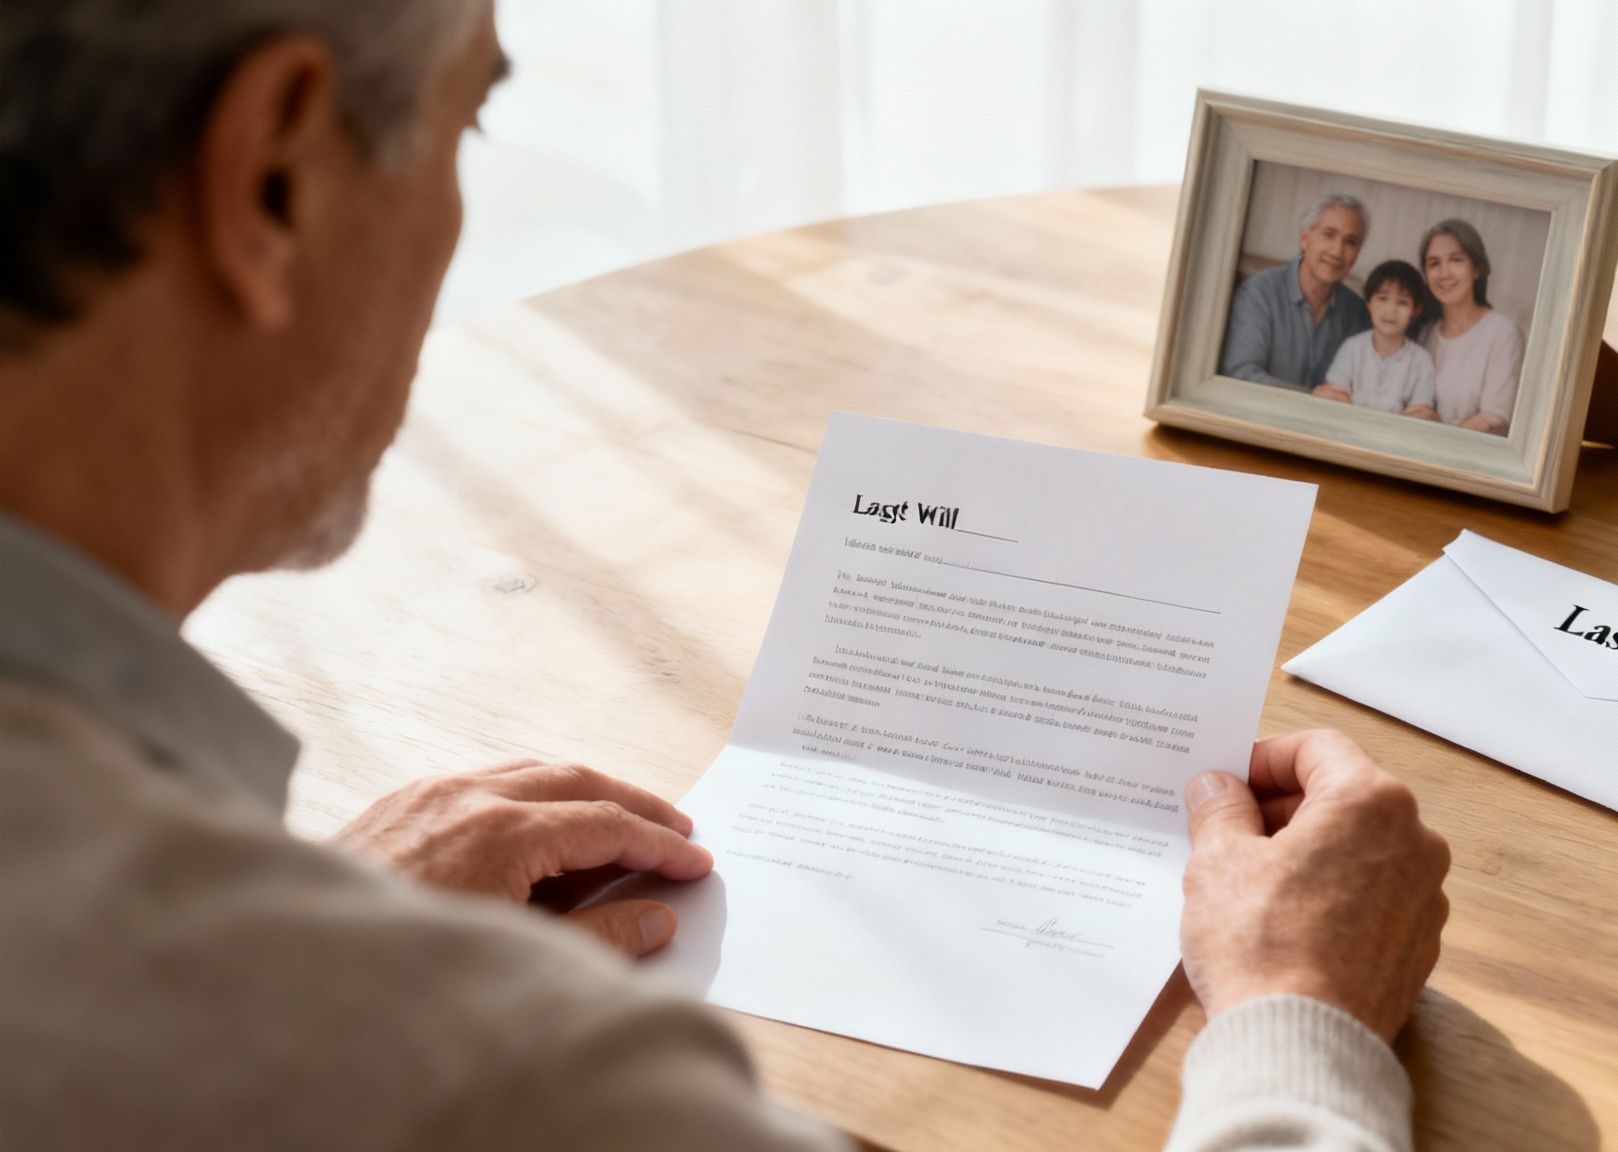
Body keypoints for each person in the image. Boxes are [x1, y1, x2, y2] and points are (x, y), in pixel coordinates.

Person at [0, 3, 1452, 1151]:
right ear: (273, 176)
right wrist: (1297, 1016)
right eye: (471, 118)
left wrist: (298, 935)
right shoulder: (478, 1078)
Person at [1218, 193, 1370, 390]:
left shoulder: (1358, 312)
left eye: (1350, 242)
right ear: (1305, 238)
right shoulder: (1259, 292)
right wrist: (1312, 397)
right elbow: (1240, 373)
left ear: (1357, 254)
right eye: (1328, 235)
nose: (1337, 251)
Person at [1419, 219, 1525, 435]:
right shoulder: (1425, 333)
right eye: (1434, 263)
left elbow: (1495, 418)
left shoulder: (1503, 333)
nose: (1444, 273)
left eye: (1456, 260)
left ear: (1477, 268)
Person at [1313, 259, 1438, 420]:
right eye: (1382, 298)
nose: (1390, 311)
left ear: (1416, 310)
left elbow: (1421, 413)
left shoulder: (1421, 361)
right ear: (1368, 303)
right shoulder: (1352, 348)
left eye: (1402, 303)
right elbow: (1332, 396)